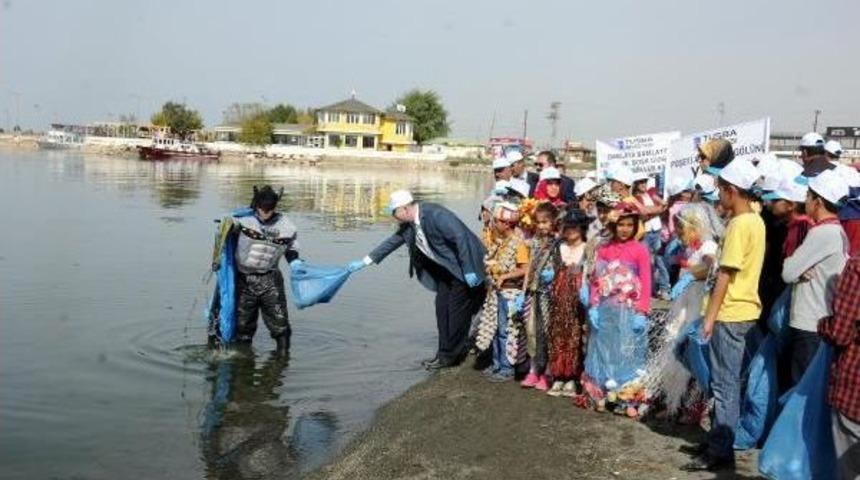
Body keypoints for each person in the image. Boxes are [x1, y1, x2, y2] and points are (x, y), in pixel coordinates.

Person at [683, 159, 765, 472]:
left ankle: (720, 449)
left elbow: (726, 274)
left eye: (721, 191)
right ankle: (720, 442)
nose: (719, 197)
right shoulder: (755, 220)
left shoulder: (741, 224)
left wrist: (709, 317)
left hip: (731, 311)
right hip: (741, 309)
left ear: (732, 190)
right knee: (725, 381)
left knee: (724, 384)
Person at [349, 190, 487, 370]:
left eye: (394, 212)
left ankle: (452, 356)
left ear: (405, 209)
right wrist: (365, 261)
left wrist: (469, 269)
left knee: (457, 314)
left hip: (463, 268)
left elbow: (461, 237)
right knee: (441, 311)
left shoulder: (436, 215)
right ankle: (443, 353)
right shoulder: (410, 225)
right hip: (445, 272)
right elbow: (392, 242)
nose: (393, 216)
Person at [646, 204, 718, 424]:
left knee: (691, 357)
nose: (678, 232)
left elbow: (711, 266)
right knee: (675, 354)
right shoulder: (691, 247)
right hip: (684, 306)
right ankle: (673, 404)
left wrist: (691, 276)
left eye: (681, 227)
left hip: (697, 309)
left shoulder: (708, 245)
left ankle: (693, 408)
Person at [580, 202, 651, 417]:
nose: (625, 229)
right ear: (613, 225)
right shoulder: (604, 249)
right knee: (605, 349)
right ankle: (601, 390)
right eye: (621, 224)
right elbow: (596, 279)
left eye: (630, 225)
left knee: (627, 350)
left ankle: (627, 396)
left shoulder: (640, 250)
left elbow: (646, 281)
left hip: (628, 310)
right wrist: (593, 305)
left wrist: (641, 311)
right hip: (606, 309)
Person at [210, 186, 299, 353]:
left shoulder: (287, 226)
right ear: (256, 206)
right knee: (243, 327)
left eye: (269, 209)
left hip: (270, 280)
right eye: (262, 208)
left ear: (275, 206)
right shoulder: (243, 222)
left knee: (281, 325)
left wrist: (295, 263)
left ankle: (283, 358)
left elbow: (291, 248)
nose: (265, 213)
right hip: (244, 280)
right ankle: (244, 365)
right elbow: (225, 232)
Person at [781, 169, 849, 387]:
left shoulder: (821, 233)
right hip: (820, 317)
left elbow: (788, 272)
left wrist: (795, 267)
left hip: (810, 321)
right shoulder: (835, 230)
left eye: (808, 196)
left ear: (818, 201)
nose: (805, 201)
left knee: (800, 389)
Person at [474, 202, 530, 382]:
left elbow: (525, 269)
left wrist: (505, 276)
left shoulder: (518, 243)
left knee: (507, 330)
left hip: (510, 293)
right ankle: (497, 364)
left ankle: (506, 368)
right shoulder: (501, 242)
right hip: (497, 291)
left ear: (506, 224)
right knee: (497, 329)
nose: (494, 224)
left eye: (497, 221)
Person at [818, 251, 860, 480]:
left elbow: (840, 333)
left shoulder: (856, 267)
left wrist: (823, 325)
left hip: (854, 388)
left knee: (849, 470)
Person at [546, 208, 590, 397]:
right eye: (567, 226)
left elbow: (591, 273)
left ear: (582, 228)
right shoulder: (557, 247)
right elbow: (546, 268)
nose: (571, 230)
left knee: (576, 336)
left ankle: (572, 377)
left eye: (575, 226)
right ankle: (557, 376)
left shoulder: (588, 248)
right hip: (557, 300)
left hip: (577, 301)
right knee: (556, 336)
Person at [521, 202, 560, 391]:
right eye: (539, 222)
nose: (542, 226)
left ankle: (548, 373)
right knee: (532, 331)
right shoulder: (535, 241)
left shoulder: (558, 242)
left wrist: (553, 276)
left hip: (550, 295)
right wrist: (523, 290)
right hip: (534, 292)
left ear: (553, 222)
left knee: (547, 333)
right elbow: (529, 267)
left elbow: (562, 268)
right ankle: (533, 369)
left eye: (546, 222)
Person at [632, 172, 670, 299]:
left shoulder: (651, 192)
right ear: (636, 184)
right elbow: (642, 212)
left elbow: (663, 204)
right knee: (646, 263)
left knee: (660, 261)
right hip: (645, 233)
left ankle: (664, 288)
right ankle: (648, 290)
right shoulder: (635, 198)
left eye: (645, 181)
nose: (643, 184)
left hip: (656, 230)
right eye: (641, 182)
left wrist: (651, 210)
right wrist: (656, 209)